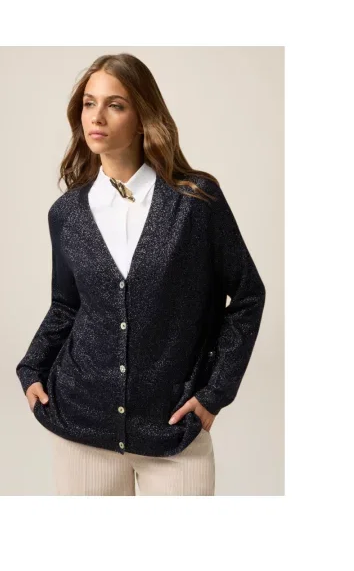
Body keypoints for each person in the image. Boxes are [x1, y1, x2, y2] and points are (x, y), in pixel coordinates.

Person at [16, 53, 266, 496]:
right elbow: (67, 306)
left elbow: (247, 295)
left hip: (173, 431)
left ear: (142, 118)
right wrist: (33, 365)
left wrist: (214, 393)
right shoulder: (67, 214)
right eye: (89, 103)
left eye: (115, 105)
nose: (97, 116)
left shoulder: (194, 202)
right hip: (82, 429)